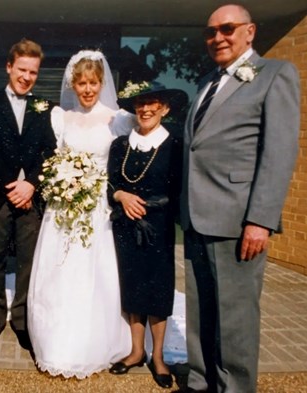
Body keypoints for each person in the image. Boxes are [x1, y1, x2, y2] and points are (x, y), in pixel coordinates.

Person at [180, 4, 300, 392]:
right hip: (197, 217)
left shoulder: (275, 74)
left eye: (227, 28)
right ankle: (201, 384)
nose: (218, 37)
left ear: (250, 32)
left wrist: (260, 220)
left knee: (235, 319)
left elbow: (279, 152)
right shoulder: (205, 82)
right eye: (211, 32)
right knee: (200, 313)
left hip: (238, 220)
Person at [27, 50, 134, 379]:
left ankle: (92, 343)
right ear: (73, 84)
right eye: (82, 83)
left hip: (96, 210)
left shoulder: (119, 118)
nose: (88, 89)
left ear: (102, 83)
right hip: (64, 208)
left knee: (92, 276)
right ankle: (55, 342)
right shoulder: (61, 117)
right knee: (58, 272)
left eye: (93, 83)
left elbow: (124, 166)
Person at [0, 39, 56, 351]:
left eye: (33, 71)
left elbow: (50, 151)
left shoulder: (44, 107)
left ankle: (21, 321)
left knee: (28, 261)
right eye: (22, 69)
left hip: (31, 198)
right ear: (9, 67)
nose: (26, 76)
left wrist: (31, 184)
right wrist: (13, 185)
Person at [107, 81, 187, 389]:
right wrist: (121, 197)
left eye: (153, 103)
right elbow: (111, 183)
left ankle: (159, 357)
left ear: (164, 108)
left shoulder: (174, 143)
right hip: (126, 227)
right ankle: (137, 351)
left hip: (159, 226)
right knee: (133, 286)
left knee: (158, 288)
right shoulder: (121, 145)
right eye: (141, 104)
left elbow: (180, 187)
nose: (146, 108)